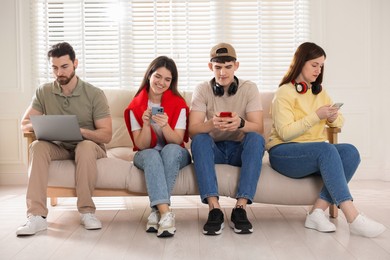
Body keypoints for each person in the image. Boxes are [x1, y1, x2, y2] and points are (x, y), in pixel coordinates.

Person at [267, 42, 386, 238]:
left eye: (321, 66)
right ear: (300, 62)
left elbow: (339, 120)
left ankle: (316, 212)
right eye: (314, 64)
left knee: (350, 152)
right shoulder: (284, 93)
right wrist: (316, 116)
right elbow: (285, 133)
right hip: (284, 153)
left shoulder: (318, 92)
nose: (318, 70)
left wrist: (332, 118)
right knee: (327, 149)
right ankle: (353, 217)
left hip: (313, 153)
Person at [17, 42, 112, 236]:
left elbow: (106, 135)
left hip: (89, 147)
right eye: (54, 67)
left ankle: (87, 211)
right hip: (59, 146)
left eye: (64, 66)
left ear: (75, 63)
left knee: (84, 147)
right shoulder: (44, 92)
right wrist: (47, 124)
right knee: (37, 146)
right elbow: (24, 124)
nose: (59, 72)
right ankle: (36, 216)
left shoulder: (94, 94)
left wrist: (81, 131)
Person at [189, 43, 265, 235]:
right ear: (210, 67)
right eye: (218, 67)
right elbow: (193, 130)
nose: (222, 72)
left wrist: (240, 123)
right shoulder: (202, 89)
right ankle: (214, 209)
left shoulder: (249, 88)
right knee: (199, 140)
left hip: (240, 150)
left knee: (256, 138)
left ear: (236, 66)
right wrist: (212, 124)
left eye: (228, 67)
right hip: (214, 150)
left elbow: (259, 127)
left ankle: (240, 209)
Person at [124, 56, 191, 238]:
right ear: (149, 75)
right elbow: (142, 145)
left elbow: (177, 141)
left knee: (169, 150)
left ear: (172, 82)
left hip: (175, 151)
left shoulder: (179, 104)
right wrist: (146, 125)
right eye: (158, 76)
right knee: (152, 155)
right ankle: (164, 213)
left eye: (167, 79)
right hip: (147, 153)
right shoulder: (136, 105)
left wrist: (165, 126)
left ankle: (157, 211)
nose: (161, 83)